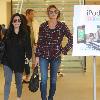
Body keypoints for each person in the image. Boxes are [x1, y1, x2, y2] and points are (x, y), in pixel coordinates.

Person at [35, 5, 73, 100]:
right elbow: (39, 42)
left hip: (56, 57)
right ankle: (44, 98)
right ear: (48, 13)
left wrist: (64, 50)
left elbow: (71, 38)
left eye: (55, 12)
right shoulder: (43, 26)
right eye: (51, 12)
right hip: (43, 56)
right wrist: (37, 57)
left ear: (58, 13)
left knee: (53, 81)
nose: (53, 13)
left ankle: (50, 98)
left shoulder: (62, 26)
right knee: (43, 80)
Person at [2, 13, 32, 100]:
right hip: (7, 61)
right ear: (12, 22)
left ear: (21, 22)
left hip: (19, 62)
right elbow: (3, 46)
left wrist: (28, 57)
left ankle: (18, 97)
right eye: (15, 20)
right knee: (7, 81)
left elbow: (28, 48)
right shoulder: (7, 33)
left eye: (19, 20)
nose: (17, 22)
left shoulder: (25, 34)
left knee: (18, 82)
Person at [22, 9, 39, 83]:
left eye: (34, 14)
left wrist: (37, 41)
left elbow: (38, 32)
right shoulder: (23, 22)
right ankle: (27, 76)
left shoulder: (35, 22)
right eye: (32, 14)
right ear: (27, 14)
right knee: (25, 60)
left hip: (34, 43)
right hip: (25, 44)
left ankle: (34, 76)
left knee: (34, 61)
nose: (33, 15)